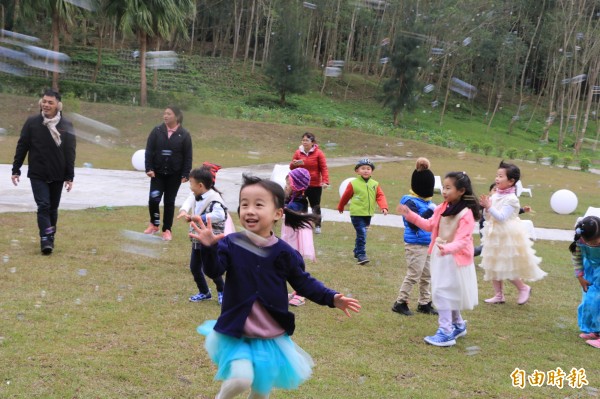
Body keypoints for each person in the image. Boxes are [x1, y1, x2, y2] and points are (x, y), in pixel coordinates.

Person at [189, 174, 361, 399]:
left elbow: (304, 282)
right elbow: (214, 271)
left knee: (261, 393)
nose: (250, 210)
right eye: (244, 204)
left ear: (278, 213)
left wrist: (332, 297)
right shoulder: (231, 243)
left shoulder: (285, 253)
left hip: (270, 337)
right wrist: (210, 248)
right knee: (241, 379)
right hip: (236, 333)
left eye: (259, 205)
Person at [397, 171, 480, 347]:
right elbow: (429, 225)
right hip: (441, 255)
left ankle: (446, 332)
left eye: (448, 188)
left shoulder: (466, 214)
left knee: (443, 293)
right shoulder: (443, 207)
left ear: (461, 190)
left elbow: (464, 240)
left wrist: (448, 248)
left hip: (454, 258)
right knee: (448, 292)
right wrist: (410, 215)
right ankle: (457, 325)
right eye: (443, 187)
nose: (444, 191)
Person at [11, 89, 76, 255]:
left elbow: (70, 152)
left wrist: (70, 176)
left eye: (50, 102)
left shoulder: (66, 126)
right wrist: (16, 169)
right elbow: (22, 145)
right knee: (43, 205)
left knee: (53, 208)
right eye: (44, 101)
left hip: (58, 173)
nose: (46, 105)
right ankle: (45, 239)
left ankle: (50, 236)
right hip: (37, 173)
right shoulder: (32, 122)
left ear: (58, 106)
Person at [479, 161, 546, 305]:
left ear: (511, 181)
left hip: (507, 236)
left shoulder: (512, 199)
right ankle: (498, 295)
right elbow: (488, 217)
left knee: (505, 264)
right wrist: (486, 208)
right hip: (493, 234)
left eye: (501, 176)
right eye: (497, 175)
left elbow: (502, 217)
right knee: (493, 264)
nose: (497, 178)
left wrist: (489, 207)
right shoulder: (496, 194)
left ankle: (523, 288)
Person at [392, 158, 438, 316]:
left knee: (427, 275)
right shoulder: (409, 202)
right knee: (414, 274)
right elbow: (413, 223)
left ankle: (424, 303)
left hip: (427, 243)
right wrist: (431, 211)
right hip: (415, 245)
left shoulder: (427, 202)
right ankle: (400, 302)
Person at [177, 164, 228, 304]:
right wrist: (183, 210)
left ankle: (222, 291)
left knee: (211, 269)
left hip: (210, 241)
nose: (189, 186)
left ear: (200, 185)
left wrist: (200, 218)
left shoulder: (214, 198)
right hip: (197, 239)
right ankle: (204, 292)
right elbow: (189, 200)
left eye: (191, 183)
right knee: (195, 267)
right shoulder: (196, 194)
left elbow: (220, 215)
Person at [144, 105, 193, 241]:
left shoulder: (184, 135)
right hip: (157, 173)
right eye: (164, 113)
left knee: (169, 202)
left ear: (176, 117)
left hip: (174, 174)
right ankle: (154, 224)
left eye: (169, 114)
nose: (165, 116)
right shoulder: (157, 131)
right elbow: (149, 150)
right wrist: (149, 168)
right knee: (153, 200)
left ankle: (167, 230)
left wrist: (185, 174)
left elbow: (188, 156)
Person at [337, 158, 388, 265]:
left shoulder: (375, 184)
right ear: (357, 171)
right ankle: (361, 254)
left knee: (361, 234)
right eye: (363, 168)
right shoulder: (353, 183)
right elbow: (346, 196)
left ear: (371, 171)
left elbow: (380, 196)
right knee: (362, 234)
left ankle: (356, 250)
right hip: (356, 214)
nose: (366, 170)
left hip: (368, 214)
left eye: (368, 168)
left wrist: (383, 207)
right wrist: (341, 206)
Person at [281, 168, 315, 307]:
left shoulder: (299, 201)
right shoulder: (294, 199)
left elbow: (287, 211)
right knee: (293, 261)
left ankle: (302, 292)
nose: (286, 186)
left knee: (297, 262)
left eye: (288, 184)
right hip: (292, 233)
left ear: (296, 186)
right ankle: (298, 290)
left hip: (297, 235)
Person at [474, 183, 531, 257]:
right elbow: (477, 209)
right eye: (494, 190)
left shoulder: (504, 201)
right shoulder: (487, 200)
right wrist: (482, 205)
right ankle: (470, 253)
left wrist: (523, 210)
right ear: (490, 192)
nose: (496, 192)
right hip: (485, 226)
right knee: (486, 246)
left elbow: (508, 213)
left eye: (498, 190)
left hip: (496, 227)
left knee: (491, 246)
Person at [569, 216, 600, 348]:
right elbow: (577, 257)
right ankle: (594, 330)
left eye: (596, 242)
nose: (593, 244)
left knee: (597, 300)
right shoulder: (580, 240)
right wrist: (580, 277)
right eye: (591, 242)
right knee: (589, 301)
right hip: (590, 271)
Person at [289, 132, 329, 234]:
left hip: (314, 185)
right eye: (303, 140)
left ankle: (318, 225)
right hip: (300, 184)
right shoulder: (298, 152)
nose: (304, 142)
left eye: (307, 140)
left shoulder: (319, 153)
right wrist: (295, 164)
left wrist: (325, 181)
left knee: (315, 206)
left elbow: (324, 168)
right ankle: (303, 224)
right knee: (301, 204)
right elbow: (291, 167)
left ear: (313, 142)